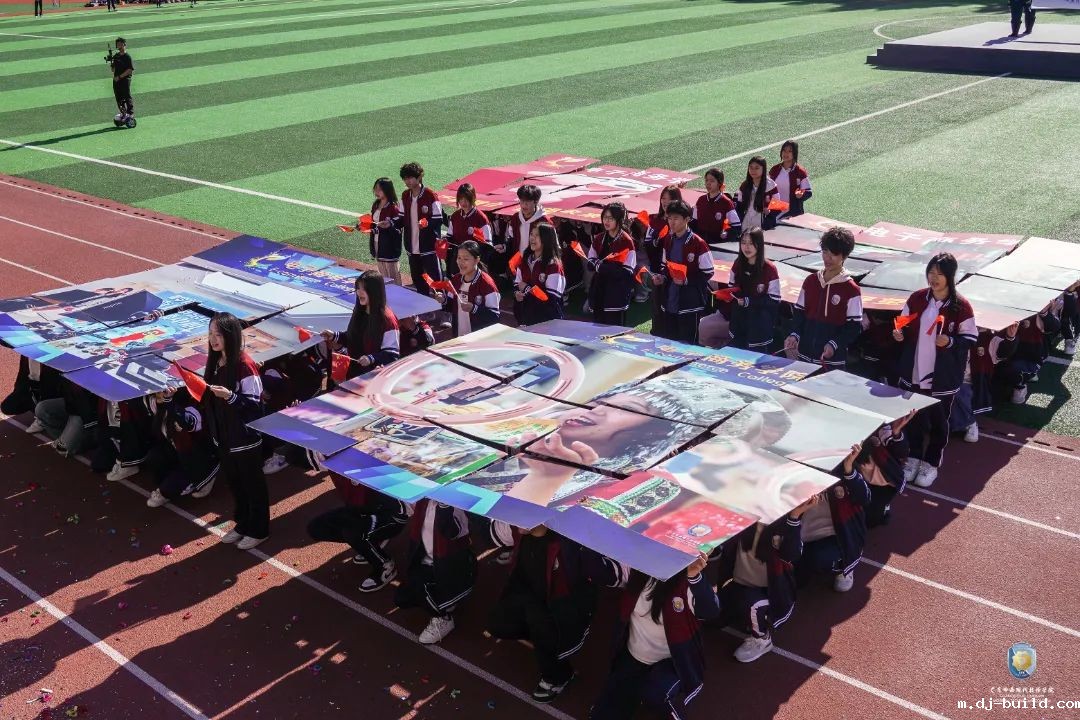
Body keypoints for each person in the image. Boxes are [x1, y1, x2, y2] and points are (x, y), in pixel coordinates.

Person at [488, 522, 628, 703]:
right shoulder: (518, 526)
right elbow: (491, 533)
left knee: (542, 628)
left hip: (564, 607)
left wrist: (587, 551)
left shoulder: (571, 542)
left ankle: (559, 675)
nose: (516, 519)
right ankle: (544, 641)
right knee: (497, 624)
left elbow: (617, 575)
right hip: (530, 596)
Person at [588, 552, 718, 720]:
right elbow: (600, 571)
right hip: (634, 657)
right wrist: (585, 542)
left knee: (656, 693)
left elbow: (710, 610)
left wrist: (695, 577)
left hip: (674, 664)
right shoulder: (638, 566)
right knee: (602, 714)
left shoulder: (688, 580)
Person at [892, 253, 977, 489]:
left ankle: (931, 463)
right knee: (914, 418)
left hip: (943, 377)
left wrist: (950, 342)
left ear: (950, 276)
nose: (934, 278)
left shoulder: (961, 306)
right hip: (915, 372)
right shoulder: (918, 298)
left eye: (939, 274)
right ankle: (913, 457)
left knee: (940, 422)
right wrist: (899, 333)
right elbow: (902, 322)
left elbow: (970, 338)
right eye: (931, 272)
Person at [202, 312, 269, 550]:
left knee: (253, 486)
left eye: (218, 334)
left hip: (245, 439)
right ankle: (242, 524)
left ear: (231, 336)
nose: (213, 339)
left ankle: (259, 530)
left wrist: (230, 396)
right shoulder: (215, 363)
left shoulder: (245, 366)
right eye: (210, 334)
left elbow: (255, 406)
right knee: (236, 485)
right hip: (224, 438)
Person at [715, 500, 812, 663]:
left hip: (768, 591)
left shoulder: (783, 525)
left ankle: (762, 639)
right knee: (713, 616)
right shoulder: (743, 516)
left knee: (750, 604)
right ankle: (740, 612)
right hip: (739, 582)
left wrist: (795, 516)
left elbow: (792, 554)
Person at [306, 465, 408, 593]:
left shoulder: (369, 459)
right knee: (317, 528)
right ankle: (372, 541)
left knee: (353, 531)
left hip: (391, 513)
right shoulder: (334, 458)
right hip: (360, 508)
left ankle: (384, 565)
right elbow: (299, 457)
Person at [393, 499, 477, 645]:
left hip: (453, 568)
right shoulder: (422, 501)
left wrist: (444, 504)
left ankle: (444, 617)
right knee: (402, 597)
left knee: (419, 584)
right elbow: (403, 507)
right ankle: (444, 601)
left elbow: (449, 531)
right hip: (430, 563)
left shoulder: (456, 508)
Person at [784, 227, 863, 367]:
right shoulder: (810, 281)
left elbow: (854, 327)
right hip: (803, 357)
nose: (827, 258)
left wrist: (834, 344)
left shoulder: (852, 290)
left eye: (834, 254)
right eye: (825, 252)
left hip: (832, 363)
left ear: (844, 256)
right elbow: (799, 313)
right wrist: (794, 334)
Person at [794, 444, 868, 593]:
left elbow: (864, 497)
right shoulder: (801, 468)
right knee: (795, 581)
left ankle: (844, 566)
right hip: (804, 534)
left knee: (817, 559)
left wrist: (849, 469)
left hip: (835, 537)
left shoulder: (845, 474)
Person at [145, 387, 220, 508]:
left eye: (162, 391)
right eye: (157, 391)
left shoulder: (192, 405)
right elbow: (156, 431)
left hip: (197, 455)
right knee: (154, 457)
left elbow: (186, 422)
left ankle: (206, 476)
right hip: (177, 450)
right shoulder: (155, 402)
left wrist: (169, 402)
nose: (158, 394)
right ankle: (175, 481)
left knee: (168, 490)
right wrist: (162, 406)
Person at [652, 200, 714, 343]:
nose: (671, 222)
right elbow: (665, 266)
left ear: (687, 219)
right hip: (670, 301)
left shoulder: (699, 243)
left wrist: (686, 281)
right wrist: (662, 278)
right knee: (669, 343)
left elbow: (708, 272)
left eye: (676, 218)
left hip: (690, 304)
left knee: (688, 346)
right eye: (669, 218)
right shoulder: (668, 239)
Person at [320, 270, 400, 380]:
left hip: (373, 378)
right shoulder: (359, 311)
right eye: (358, 288)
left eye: (363, 289)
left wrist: (371, 358)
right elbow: (353, 338)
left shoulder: (387, 319)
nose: (359, 292)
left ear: (374, 291)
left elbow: (392, 354)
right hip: (354, 373)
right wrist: (335, 336)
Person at [951, 323, 1018, 443]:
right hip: (949, 376)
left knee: (958, 391)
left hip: (973, 382)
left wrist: (1010, 337)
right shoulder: (954, 330)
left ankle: (970, 423)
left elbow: (1003, 351)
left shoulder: (988, 337)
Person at [727, 227, 781, 351]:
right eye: (743, 242)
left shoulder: (770, 269)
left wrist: (749, 301)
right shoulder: (737, 264)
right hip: (738, 325)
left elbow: (774, 300)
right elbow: (731, 289)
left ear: (759, 245)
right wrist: (728, 296)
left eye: (751, 243)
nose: (746, 247)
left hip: (759, 329)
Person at [857, 411, 914, 527]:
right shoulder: (853, 427)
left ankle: (884, 508)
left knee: (870, 522)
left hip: (883, 483)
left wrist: (896, 432)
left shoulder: (885, 430)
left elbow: (902, 452)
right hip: (859, 477)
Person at [435, 240, 501, 336]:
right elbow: (451, 306)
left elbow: (495, 316)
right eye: (459, 258)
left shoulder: (487, 284)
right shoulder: (456, 280)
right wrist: (443, 300)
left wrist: (474, 308)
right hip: (458, 336)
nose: (461, 262)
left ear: (477, 260)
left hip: (478, 339)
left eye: (466, 259)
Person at [587, 202, 637, 326]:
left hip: (616, 292)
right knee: (597, 328)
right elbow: (590, 263)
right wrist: (598, 266)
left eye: (611, 218)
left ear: (619, 220)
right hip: (599, 289)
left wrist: (600, 267)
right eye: (605, 217)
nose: (606, 221)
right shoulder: (599, 238)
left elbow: (626, 272)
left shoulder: (626, 241)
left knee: (614, 331)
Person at [399, 162, 443, 298]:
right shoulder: (405, 196)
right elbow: (400, 218)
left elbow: (438, 219)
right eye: (405, 178)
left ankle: (443, 307)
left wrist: (426, 224)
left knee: (436, 280)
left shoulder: (431, 195)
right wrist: (389, 223)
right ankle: (423, 306)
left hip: (428, 246)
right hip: (412, 247)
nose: (407, 181)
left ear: (419, 177)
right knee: (418, 280)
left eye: (410, 178)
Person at [514, 222, 566, 326]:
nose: (532, 238)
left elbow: (549, 299)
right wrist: (517, 294)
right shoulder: (524, 261)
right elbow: (517, 284)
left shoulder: (553, 265)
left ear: (547, 239)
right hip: (526, 318)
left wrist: (527, 289)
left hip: (547, 322)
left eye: (537, 235)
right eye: (531, 234)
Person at [447, 183, 492, 275]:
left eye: (467, 199)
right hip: (457, 263)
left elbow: (487, 246)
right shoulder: (455, 217)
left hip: (474, 265)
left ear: (473, 198)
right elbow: (450, 238)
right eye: (461, 199)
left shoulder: (481, 219)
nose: (463, 203)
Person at [369, 177, 403, 287]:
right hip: (377, 244)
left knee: (393, 278)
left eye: (380, 189)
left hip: (390, 247)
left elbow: (398, 231)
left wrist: (388, 226)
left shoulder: (394, 208)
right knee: (383, 277)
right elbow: (373, 223)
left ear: (387, 190)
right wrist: (363, 226)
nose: (376, 192)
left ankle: (398, 296)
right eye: (375, 189)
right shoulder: (376, 205)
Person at [692, 168, 740, 245]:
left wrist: (726, 234)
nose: (708, 183)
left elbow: (736, 226)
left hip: (718, 245)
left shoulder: (726, 203)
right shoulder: (701, 200)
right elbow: (694, 222)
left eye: (712, 181)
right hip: (701, 244)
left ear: (719, 183)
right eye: (706, 180)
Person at [504, 185, 550, 263]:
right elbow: (511, 240)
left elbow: (551, 246)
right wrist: (504, 246)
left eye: (527, 201)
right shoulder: (515, 218)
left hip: (537, 263)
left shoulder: (544, 221)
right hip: (518, 263)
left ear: (536, 202)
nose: (524, 205)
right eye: (522, 201)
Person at [768, 140, 812, 220]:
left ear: (794, 153)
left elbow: (808, 192)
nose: (786, 153)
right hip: (775, 209)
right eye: (784, 150)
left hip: (793, 212)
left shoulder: (800, 171)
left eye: (789, 151)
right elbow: (767, 189)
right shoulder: (774, 169)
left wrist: (801, 195)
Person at [733, 156, 779, 232]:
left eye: (757, 168)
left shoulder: (771, 186)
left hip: (764, 226)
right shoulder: (745, 185)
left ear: (763, 169)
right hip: (746, 223)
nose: (753, 170)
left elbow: (777, 206)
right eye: (751, 167)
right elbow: (739, 206)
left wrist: (769, 213)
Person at [110, 39, 134, 124]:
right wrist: (112, 62)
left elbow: (130, 70)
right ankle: (123, 113)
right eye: (117, 44)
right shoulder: (116, 56)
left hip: (125, 80)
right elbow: (113, 70)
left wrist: (120, 77)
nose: (119, 46)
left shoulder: (127, 57)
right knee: (118, 98)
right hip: (116, 80)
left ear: (124, 45)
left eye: (120, 44)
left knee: (127, 96)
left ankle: (130, 114)